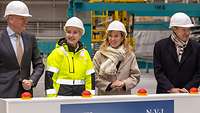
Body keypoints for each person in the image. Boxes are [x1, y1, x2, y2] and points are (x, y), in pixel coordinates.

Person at [0, 1, 44, 98]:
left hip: (25, 94)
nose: (26, 21)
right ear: (11, 19)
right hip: (3, 95)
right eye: (22, 18)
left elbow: (39, 65)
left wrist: (31, 81)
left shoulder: (30, 38)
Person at [45, 17, 95, 97]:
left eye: (75, 32)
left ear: (80, 35)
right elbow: (50, 77)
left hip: (81, 97)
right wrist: (52, 99)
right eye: (68, 32)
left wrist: (90, 96)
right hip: (61, 97)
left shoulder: (85, 54)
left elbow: (90, 77)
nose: (71, 35)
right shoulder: (57, 53)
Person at [153, 12, 200, 94]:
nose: (187, 33)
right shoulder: (160, 46)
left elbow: (199, 73)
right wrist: (170, 88)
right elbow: (158, 72)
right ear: (174, 29)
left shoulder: (197, 47)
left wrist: (187, 89)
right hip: (165, 93)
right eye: (184, 30)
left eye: (189, 29)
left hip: (188, 94)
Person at [93, 20, 141, 95]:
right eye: (110, 36)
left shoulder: (130, 55)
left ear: (122, 38)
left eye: (116, 36)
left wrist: (124, 84)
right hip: (105, 97)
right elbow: (94, 76)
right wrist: (109, 85)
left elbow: (135, 75)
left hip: (123, 97)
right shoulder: (99, 54)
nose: (112, 39)